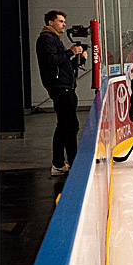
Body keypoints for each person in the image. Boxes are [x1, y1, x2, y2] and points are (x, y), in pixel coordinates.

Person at [36, 10, 87, 176]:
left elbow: (63, 65)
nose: (64, 24)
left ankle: (62, 163)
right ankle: (69, 163)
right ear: (50, 22)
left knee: (67, 126)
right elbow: (50, 61)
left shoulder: (55, 39)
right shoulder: (46, 39)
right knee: (69, 126)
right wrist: (71, 52)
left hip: (65, 86)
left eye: (64, 21)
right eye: (60, 21)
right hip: (60, 87)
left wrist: (80, 58)